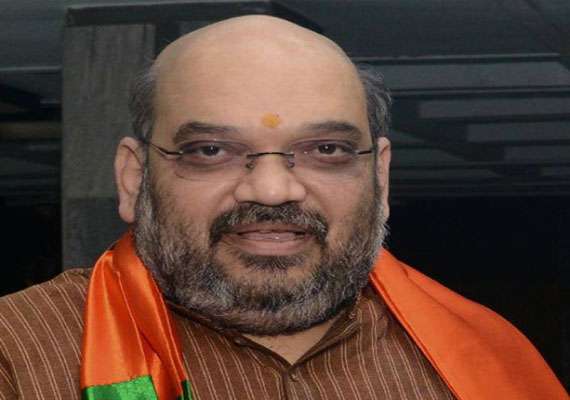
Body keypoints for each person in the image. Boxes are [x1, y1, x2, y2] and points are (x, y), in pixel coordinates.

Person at [0, 15, 566, 400]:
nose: (272, 190)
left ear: (380, 174)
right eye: (211, 150)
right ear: (134, 177)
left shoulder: (491, 358)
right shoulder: (19, 355)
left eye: (326, 150)